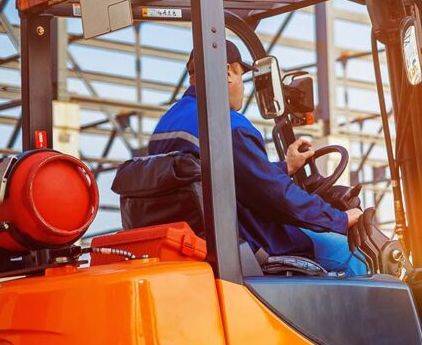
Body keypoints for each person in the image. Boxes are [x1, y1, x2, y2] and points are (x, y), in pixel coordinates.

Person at [148, 40, 366, 275]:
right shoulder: (228, 125)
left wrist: (286, 167)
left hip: (198, 244)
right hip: (250, 243)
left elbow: (230, 177)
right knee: (351, 253)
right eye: (242, 76)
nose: (243, 87)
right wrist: (337, 219)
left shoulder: (166, 125)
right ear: (227, 72)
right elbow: (277, 196)